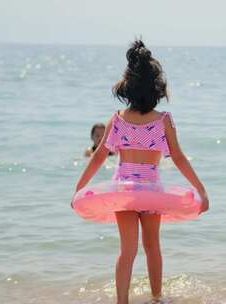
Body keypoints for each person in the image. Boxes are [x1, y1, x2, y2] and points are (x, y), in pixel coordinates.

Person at [74, 39, 209, 304]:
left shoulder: (118, 119)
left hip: (123, 192)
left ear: (128, 88)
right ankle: (157, 298)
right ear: (156, 88)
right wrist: (201, 190)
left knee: (127, 251)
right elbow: (179, 158)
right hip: (151, 193)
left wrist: (79, 187)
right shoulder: (164, 121)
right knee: (152, 247)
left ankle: (121, 301)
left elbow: (100, 155)